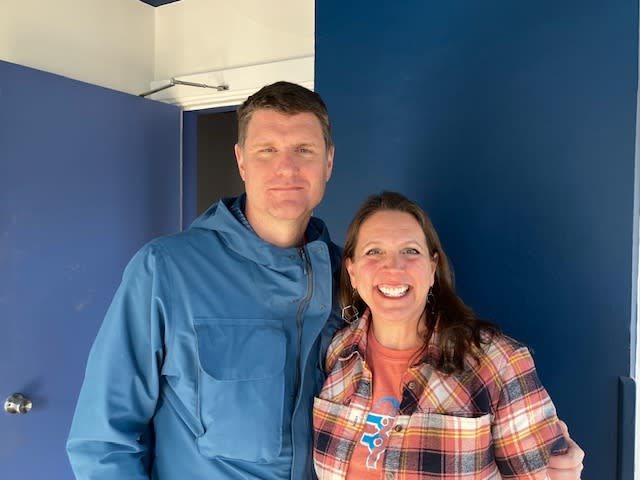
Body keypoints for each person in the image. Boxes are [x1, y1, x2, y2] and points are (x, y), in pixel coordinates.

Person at [66, 81, 583, 480]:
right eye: (268, 150)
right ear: (242, 162)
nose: (286, 168)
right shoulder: (166, 270)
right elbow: (102, 440)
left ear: (329, 162)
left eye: (305, 151)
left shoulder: (349, 278)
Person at [313, 191, 577, 479]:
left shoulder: (498, 363)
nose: (393, 266)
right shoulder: (337, 352)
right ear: (352, 271)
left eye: (410, 251)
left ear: (432, 268)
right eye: (374, 251)